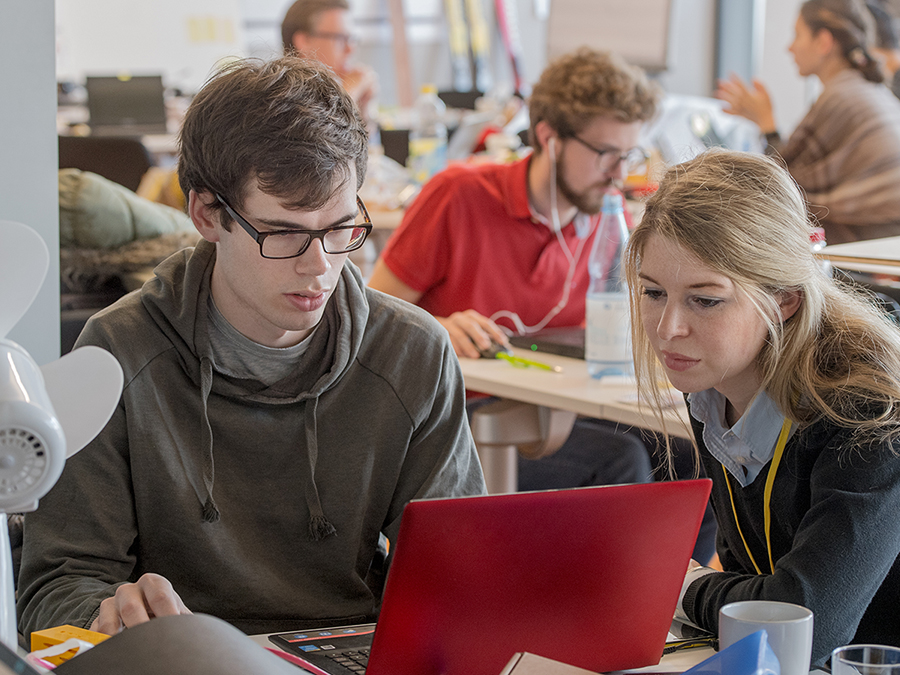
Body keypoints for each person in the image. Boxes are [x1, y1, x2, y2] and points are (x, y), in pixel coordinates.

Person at [17, 56, 486, 639]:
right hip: (186, 655)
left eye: (341, 228)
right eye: (285, 233)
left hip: (351, 647)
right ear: (208, 214)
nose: (320, 267)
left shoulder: (412, 352)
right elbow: (55, 587)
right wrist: (109, 618)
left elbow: (458, 576)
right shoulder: (119, 352)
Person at [625, 149, 900, 665]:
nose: (668, 329)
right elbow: (750, 585)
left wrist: (679, 584)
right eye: (654, 292)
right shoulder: (711, 381)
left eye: (705, 300)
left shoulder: (871, 412)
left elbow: (799, 624)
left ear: (784, 299)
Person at [368, 49, 661, 495]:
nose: (619, 173)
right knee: (620, 462)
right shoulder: (460, 195)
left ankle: (688, 569)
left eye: (629, 154)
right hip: (449, 417)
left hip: (547, 406)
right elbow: (369, 313)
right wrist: (437, 328)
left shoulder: (607, 215)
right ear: (549, 137)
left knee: (683, 453)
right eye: (605, 153)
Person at [715, 0, 900, 244]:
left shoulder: (841, 96)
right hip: (884, 237)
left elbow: (779, 186)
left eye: (797, 35)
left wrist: (767, 124)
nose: (789, 47)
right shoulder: (868, 89)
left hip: (868, 243)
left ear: (823, 42)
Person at [281, 0, 377, 126]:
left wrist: (363, 111)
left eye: (351, 39)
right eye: (340, 38)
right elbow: (318, 138)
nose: (350, 49)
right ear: (304, 41)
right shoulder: (280, 101)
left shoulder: (323, 96)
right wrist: (348, 94)